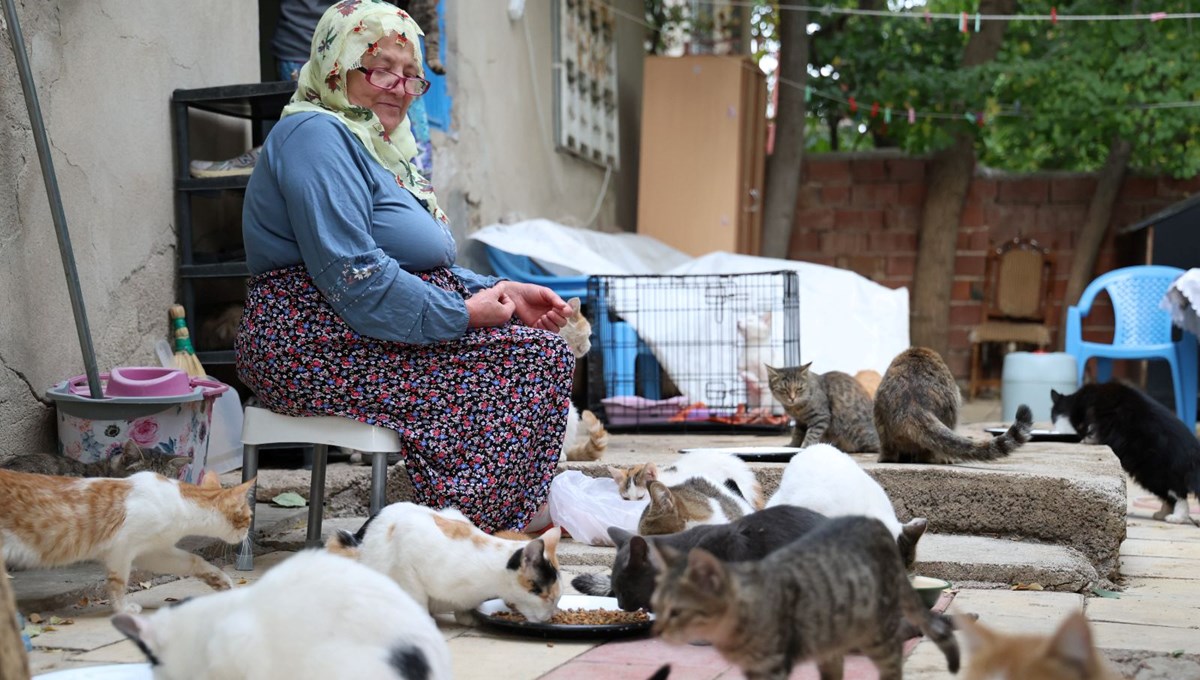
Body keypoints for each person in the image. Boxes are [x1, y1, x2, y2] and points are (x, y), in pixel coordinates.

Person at [236, 0, 575, 534]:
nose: (398, 86)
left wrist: (501, 290)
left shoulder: (378, 149)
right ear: (335, 67)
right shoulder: (316, 137)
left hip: (358, 328)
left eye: (410, 75)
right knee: (524, 361)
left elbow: (415, 266)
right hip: (309, 340)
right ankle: (464, 529)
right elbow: (354, 276)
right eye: (380, 69)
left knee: (536, 352)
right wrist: (463, 315)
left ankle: (483, 518)